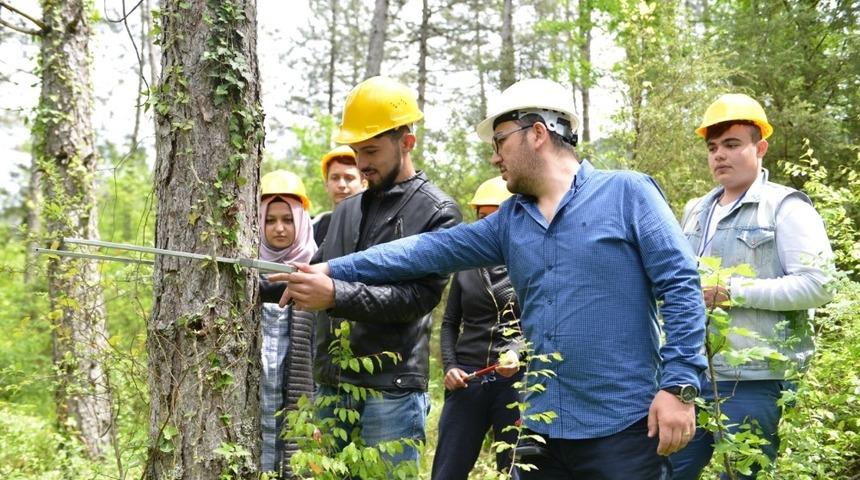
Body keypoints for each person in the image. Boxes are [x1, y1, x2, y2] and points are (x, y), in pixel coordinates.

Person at [274, 78, 708, 479]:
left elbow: (681, 285)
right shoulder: (510, 223)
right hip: (539, 433)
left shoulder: (627, 194)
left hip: (622, 429)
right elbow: (423, 250)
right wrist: (332, 268)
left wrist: (679, 386)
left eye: (500, 141)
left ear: (538, 133)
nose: (494, 156)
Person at [265, 76, 462, 473]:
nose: (361, 163)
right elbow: (308, 274)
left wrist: (335, 294)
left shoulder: (438, 212)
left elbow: (417, 300)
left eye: (371, 150)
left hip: (391, 390)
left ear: (407, 142)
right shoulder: (346, 210)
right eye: (356, 150)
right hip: (331, 387)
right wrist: (252, 283)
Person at [669, 94, 834, 479]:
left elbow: (820, 284)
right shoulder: (696, 210)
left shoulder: (786, 208)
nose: (718, 156)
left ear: (760, 148)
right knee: (666, 470)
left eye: (731, 145)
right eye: (712, 148)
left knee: (744, 475)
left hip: (754, 378)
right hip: (692, 373)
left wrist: (733, 291)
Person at [431, 176, 524, 480]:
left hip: (513, 382)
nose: (487, 225)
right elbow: (449, 323)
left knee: (514, 470)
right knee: (448, 470)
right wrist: (450, 367)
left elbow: (542, 323)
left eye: (495, 217)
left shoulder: (530, 262)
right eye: (481, 218)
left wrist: (516, 352)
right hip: (468, 379)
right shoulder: (466, 265)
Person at [257, 170, 317, 476]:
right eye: (270, 219)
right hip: (257, 405)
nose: (279, 228)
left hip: (299, 405)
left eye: (288, 219)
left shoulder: (320, 270)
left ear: (301, 220)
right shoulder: (240, 269)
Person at [313, 145, 366, 246]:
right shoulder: (315, 227)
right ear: (326, 185)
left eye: (349, 178)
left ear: (364, 184)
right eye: (335, 178)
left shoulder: (373, 225)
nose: (341, 185)